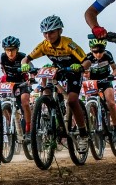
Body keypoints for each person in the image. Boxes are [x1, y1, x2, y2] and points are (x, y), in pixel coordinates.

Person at [20, 16, 91, 152]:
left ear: (59, 31)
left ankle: (83, 134)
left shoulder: (68, 44)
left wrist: (81, 67)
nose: (48, 35)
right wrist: (24, 65)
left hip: (73, 71)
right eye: (45, 33)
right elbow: (26, 58)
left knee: (72, 100)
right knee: (45, 88)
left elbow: (87, 61)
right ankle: (52, 113)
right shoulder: (44, 45)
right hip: (58, 70)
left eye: (51, 32)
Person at [0, 36, 33, 142]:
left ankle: (28, 131)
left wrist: (32, 79)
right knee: (2, 103)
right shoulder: (1, 57)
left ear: (17, 49)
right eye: (7, 50)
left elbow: (33, 71)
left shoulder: (24, 57)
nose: (10, 53)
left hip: (22, 83)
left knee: (25, 102)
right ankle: (9, 121)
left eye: (12, 50)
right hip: (8, 83)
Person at [84, 39, 116, 143]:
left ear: (104, 50)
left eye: (101, 52)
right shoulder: (88, 57)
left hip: (105, 80)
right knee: (91, 104)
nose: (98, 54)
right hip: (93, 82)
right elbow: (83, 72)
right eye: (95, 52)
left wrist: (112, 75)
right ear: (91, 51)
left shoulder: (108, 55)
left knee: (110, 102)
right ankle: (98, 121)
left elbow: (115, 70)